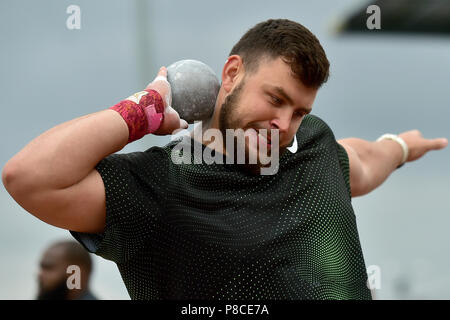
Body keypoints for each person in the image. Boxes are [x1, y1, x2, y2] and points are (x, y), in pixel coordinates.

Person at [2, 19, 447, 300]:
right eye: (275, 99)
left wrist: (402, 146)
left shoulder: (313, 147)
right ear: (232, 74)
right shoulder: (158, 186)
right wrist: (144, 109)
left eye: (299, 112)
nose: (284, 124)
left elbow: (366, 160)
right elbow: (29, 177)